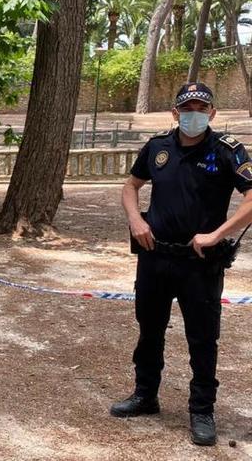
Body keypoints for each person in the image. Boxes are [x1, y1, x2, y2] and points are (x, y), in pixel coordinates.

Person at [112, 82, 252, 446]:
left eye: (201, 108)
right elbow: (131, 187)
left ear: (212, 114)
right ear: (174, 113)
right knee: (150, 329)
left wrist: (217, 234)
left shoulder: (227, 152)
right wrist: (136, 221)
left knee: (203, 339)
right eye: (186, 108)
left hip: (200, 263)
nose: (194, 114)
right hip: (155, 257)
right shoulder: (157, 146)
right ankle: (146, 395)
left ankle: (202, 410)